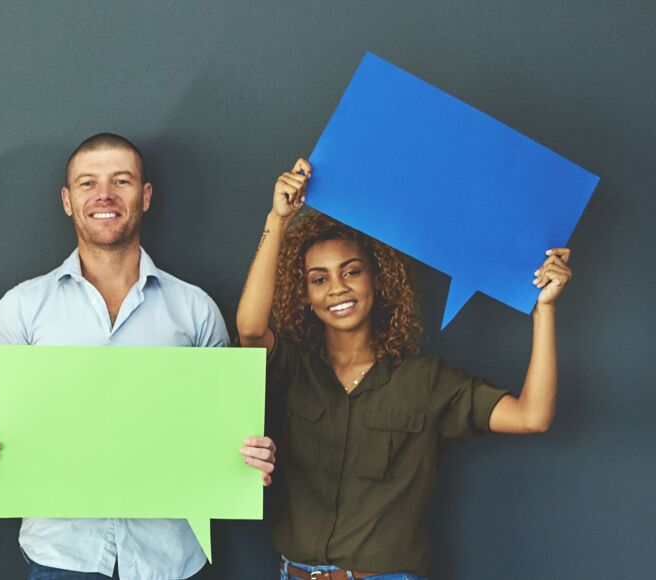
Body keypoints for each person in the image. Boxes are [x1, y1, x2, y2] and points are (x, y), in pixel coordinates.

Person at [0, 133, 274, 580]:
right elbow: (5, 433)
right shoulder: (21, 308)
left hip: (171, 559)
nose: (104, 195)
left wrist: (246, 457)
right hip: (62, 558)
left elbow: (219, 431)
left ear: (144, 196)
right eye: (88, 183)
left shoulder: (195, 309)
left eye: (121, 181)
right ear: (67, 200)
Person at [237, 159, 571, 580]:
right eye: (318, 279)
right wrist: (277, 219)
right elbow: (250, 329)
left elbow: (532, 416)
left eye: (351, 272)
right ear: (305, 293)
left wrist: (545, 309)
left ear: (377, 280)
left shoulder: (427, 381)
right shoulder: (295, 367)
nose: (337, 288)